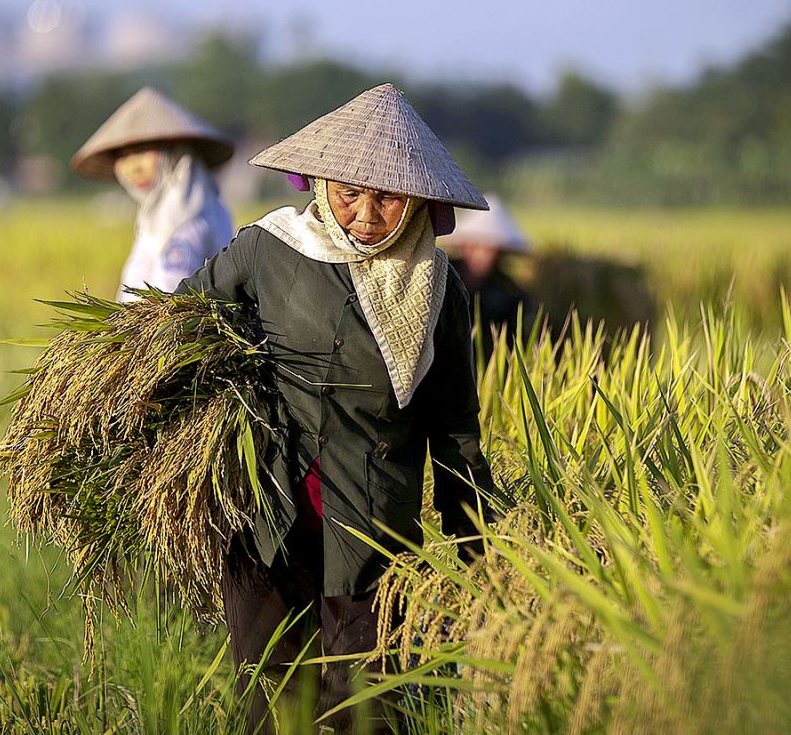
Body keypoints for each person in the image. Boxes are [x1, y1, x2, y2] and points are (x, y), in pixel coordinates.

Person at [177, 83, 496, 733]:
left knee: (371, 706)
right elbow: (182, 322)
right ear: (321, 184)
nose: (366, 213)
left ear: (419, 204)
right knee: (273, 699)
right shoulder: (269, 250)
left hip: (373, 526)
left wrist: (480, 546)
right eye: (350, 192)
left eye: (387, 197)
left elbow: (455, 426)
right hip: (268, 510)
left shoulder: (437, 288)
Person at [70, 86, 236, 301]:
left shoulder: (185, 216)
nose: (133, 167)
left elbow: (169, 302)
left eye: (141, 151)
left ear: (172, 147)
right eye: (123, 155)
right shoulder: (158, 216)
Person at [444, 193, 532, 331]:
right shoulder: (442, 276)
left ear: (500, 253)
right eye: (475, 246)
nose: (482, 256)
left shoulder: (509, 293)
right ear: (463, 246)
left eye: (489, 249)